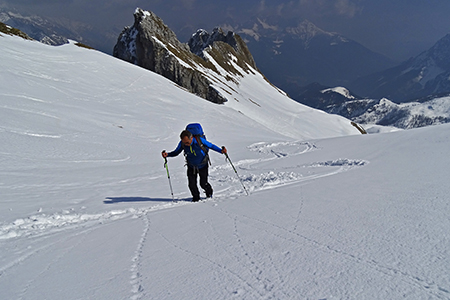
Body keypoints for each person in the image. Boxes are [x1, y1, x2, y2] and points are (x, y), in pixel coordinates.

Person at [162, 129, 227, 202]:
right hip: (191, 166)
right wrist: (167, 154)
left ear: (191, 138)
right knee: (191, 185)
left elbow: (211, 146)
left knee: (203, 183)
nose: (186, 144)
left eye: (187, 142)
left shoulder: (199, 140)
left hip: (203, 165)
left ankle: (209, 193)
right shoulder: (182, 143)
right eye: (184, 142)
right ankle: (196, 199)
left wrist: (221, 151)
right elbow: (176, 152)